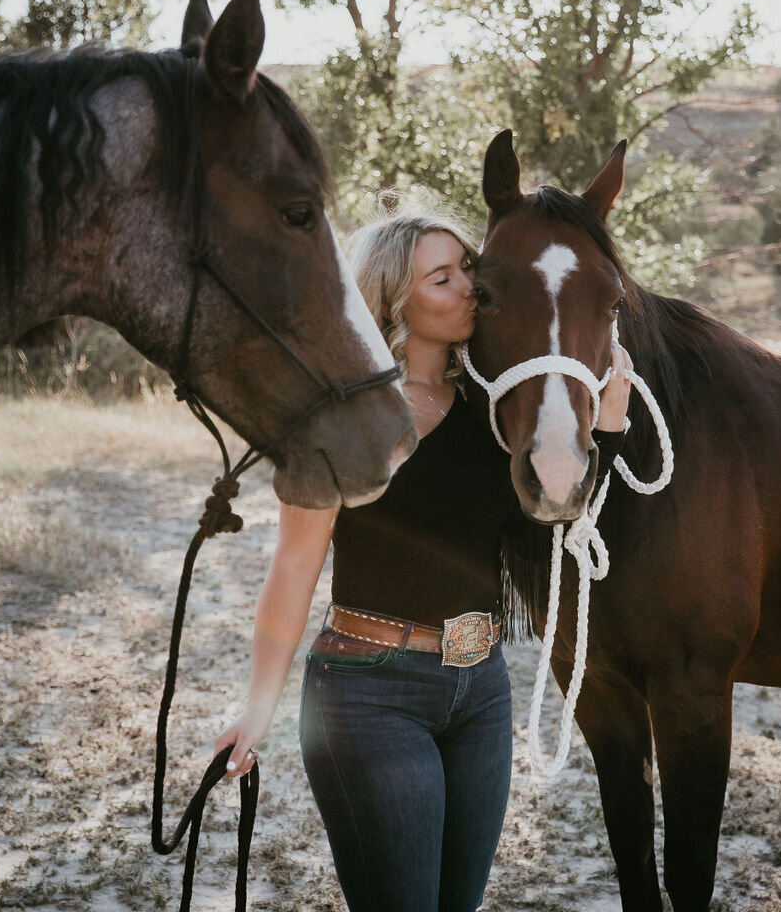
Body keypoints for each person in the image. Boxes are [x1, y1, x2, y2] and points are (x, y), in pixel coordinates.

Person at [213, 206, 632, 912]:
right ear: (392, 300)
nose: (470, 286)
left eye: (469, 267)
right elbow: (293, 565)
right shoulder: (342, 417)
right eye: (443, 277)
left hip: (482, 692)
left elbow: (548, 533)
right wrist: (259, 708)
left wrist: (608, 433)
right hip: (369, 694)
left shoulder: (490, 411)